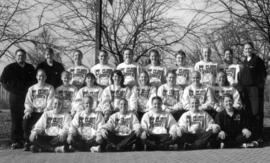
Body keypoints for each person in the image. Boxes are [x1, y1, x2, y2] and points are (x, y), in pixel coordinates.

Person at [0, 49, 35, 149]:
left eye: (22, 56)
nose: (21, 57)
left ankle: (25, 140)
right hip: (15, 97)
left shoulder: (30, 68)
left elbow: (34, 81)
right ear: (16, 57)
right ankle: (15, 141)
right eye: (19, 56)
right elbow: (3, 81)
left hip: (27, 97)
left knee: (26, 118)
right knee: (16, 119)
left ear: (25, 57)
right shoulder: (10, 68)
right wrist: (11, 90)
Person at [238, 42, 267, 145]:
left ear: (253, 49)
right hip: (245, 91)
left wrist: (259, 87)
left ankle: (259, 136)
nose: (247, 50)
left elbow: (263, 75)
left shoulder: (258, 60)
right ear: (244, 51)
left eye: (249, 48)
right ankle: (251, 135)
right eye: (245, 49)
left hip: (255, 91)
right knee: (248, 113)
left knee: (257, 113)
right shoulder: (244, 62)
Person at [23, 69, 55, 151]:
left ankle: (38, 143)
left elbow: (51, 100)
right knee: (25, 120)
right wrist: (28, 111)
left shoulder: (50, 87)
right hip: (34, 112)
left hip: (44, 112)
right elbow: (28, 102)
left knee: (42, 128)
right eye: (40, 75)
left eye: (43, 76)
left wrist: (47, 110)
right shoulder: (31, 89)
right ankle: (28, 142)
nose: (41, 77)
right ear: (37, 77)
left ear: (46, 77)